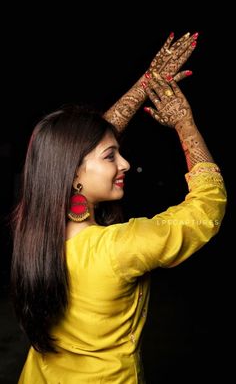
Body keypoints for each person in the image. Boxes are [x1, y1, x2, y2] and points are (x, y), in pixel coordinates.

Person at [11, 32, 227, 383]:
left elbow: (80, 151)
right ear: (74, 174)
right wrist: (184, 123)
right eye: (112, 156)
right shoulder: (119, 248)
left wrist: (145, 85)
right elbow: (207, 206)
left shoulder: (33, 230)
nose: (125, 163)